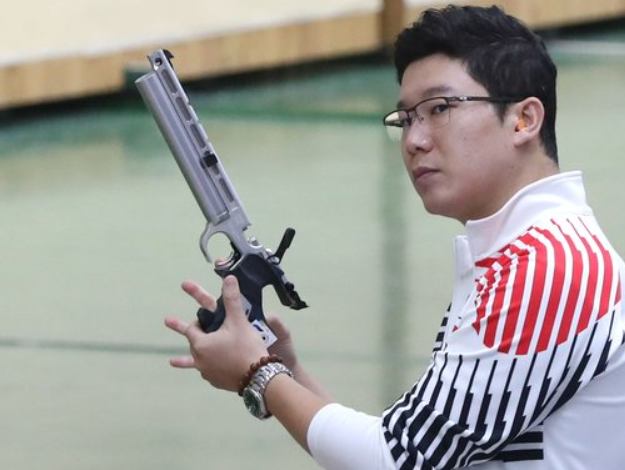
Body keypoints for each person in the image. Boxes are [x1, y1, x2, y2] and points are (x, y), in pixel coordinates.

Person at [164, 5, 625, 469]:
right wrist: (284, 371)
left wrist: (258, 374)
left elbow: (396, 460)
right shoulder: (527, 258)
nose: (413, 141)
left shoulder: (549, 268)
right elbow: (401, 443)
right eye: (405, 119)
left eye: (439, 109)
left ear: (524, 119)